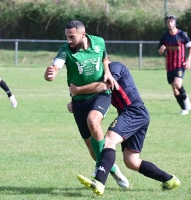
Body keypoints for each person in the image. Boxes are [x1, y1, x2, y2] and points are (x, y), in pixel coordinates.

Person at [44, 20, 129, 188]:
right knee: (93, 150)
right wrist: (50, 73)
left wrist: (107, 71)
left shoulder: (99, 41)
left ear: (83, 34)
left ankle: (101, 172)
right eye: (67, 37)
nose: (69, 40)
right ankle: (112, 169)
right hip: (78, 102)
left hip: (100, 94)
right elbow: (56, 66)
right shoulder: (65, 50)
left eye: (72, 37)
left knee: (93, 121)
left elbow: (105, 58)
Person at [75, 62, 180, 195]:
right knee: (132, 161)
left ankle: (99, 181)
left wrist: (78, 90)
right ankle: (170, 180)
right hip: (135, 114)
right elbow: (98, 96)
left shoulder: (115, 67)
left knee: (109, 141)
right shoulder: (100, 77)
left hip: (133, 111)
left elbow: (107, 84)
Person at [158, 15, 191, 115]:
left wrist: (189, 60)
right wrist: (161, 51)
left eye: (172, 21)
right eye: (168, 22)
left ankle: (186, 99)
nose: (170, 23)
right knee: (174, 88)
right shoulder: (165, 37)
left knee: (178, 84)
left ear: (175, 23)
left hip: (180, 64)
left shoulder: (182, 35)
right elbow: (160, 50)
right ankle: (184, 109)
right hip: (169, 66)